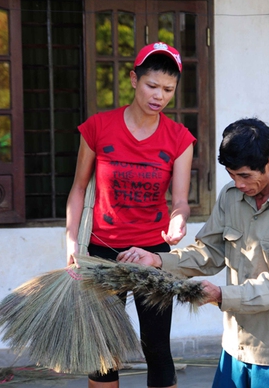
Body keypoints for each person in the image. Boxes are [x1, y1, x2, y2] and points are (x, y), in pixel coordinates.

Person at [118, 118, 269, 388]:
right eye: (231, 175)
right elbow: (210, 252)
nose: (238, 184)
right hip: (234, 343)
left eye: (245, 176)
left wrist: (221, 295)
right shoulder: (230, 196)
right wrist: (157, 260)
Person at [66, 42, 196, 388]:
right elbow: (79, 189)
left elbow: (180, 201)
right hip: (103, 251)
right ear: (133, 79)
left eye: (168, 90)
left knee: (156, 347)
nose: (160, 96)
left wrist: (178, 220)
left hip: (152, 255)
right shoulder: (98, 128)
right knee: (103, 352)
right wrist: (70, 240)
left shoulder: (179, 139)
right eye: (152, 86)